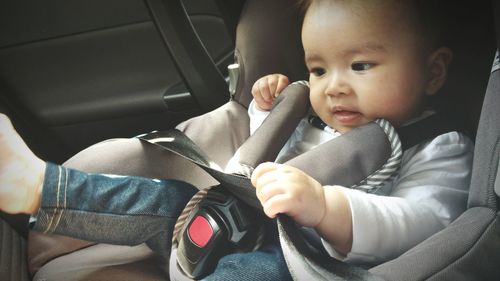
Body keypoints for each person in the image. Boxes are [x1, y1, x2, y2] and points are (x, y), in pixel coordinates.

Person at [0, 0, 472, 279]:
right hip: (223, 215)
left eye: (361, 65)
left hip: (294, 259)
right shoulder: (316, 119)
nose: (334, 86)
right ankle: (41, 189)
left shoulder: (438, 147)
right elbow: (268, 153)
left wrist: (327, 209)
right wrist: (265, 110)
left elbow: (423, 221)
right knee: (160, 199)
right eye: (318, 69)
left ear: (433, 72)